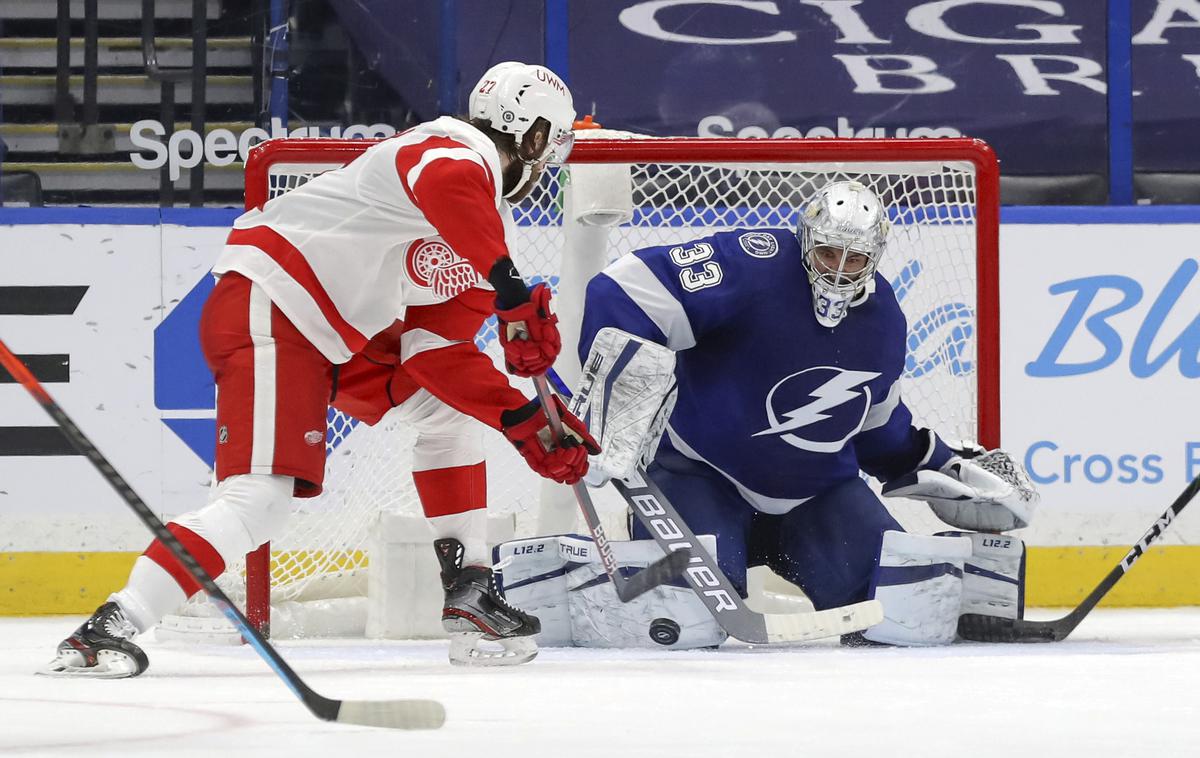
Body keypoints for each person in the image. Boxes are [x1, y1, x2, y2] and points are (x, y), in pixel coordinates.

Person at [46, 61, 598, 676]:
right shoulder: (448, 147)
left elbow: (436, 351)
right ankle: (109, 627)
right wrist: (509, 287)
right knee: (259, 502)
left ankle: (470, 592)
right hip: (272, 306)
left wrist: (523, 418)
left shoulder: (490, 225)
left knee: (448, 416)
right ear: (533, 137)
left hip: (332, 337)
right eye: (554, 142)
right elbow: (448, 185)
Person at [575, 180, 1038, 646]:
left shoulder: (883, 322)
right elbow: (624, 289)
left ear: (873, 258)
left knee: (906, 613)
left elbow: (875, 427)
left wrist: (939, 462)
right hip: (699, 476)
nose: (839, 271)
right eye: (828, 253)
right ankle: (581, 584)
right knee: (686, 615)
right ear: (806, 240)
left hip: (816, 497)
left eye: (854, 259)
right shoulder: (751, 264)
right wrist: (618, 390)